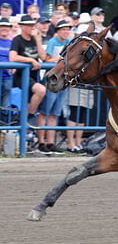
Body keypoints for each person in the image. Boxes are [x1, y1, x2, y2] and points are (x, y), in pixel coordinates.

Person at [36, 20, 72, 154]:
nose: (65, 31)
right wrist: (62, 61)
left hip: (62, 81)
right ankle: (41, 142)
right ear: (58, 31)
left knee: (54, 113)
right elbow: (46, 59)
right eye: (63, 29)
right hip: (51, 80)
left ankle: (50, 143)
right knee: (45, 111)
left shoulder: (68, 42)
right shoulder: (52, 41)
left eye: (67, 29)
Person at [9, 15, 46, 122]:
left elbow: (43, 57)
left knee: (31, 101)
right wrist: (30, 60)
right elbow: (12, 57)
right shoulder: (17, 39)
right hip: (22, 76)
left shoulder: (35, 40)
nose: (32, 28)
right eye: (29, 25)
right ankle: (26, 116)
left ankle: (23, 120)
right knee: (41, 90)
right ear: (22, 27)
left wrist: (38, 40)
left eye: (33, 25)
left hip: (34, 76)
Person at [0, 18, 13, 114]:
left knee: (5, 105)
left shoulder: (12, 43)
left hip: (8, 77)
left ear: (9, 29)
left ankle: (3, 126)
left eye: (6, 26)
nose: (4, 28)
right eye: (2, 26)